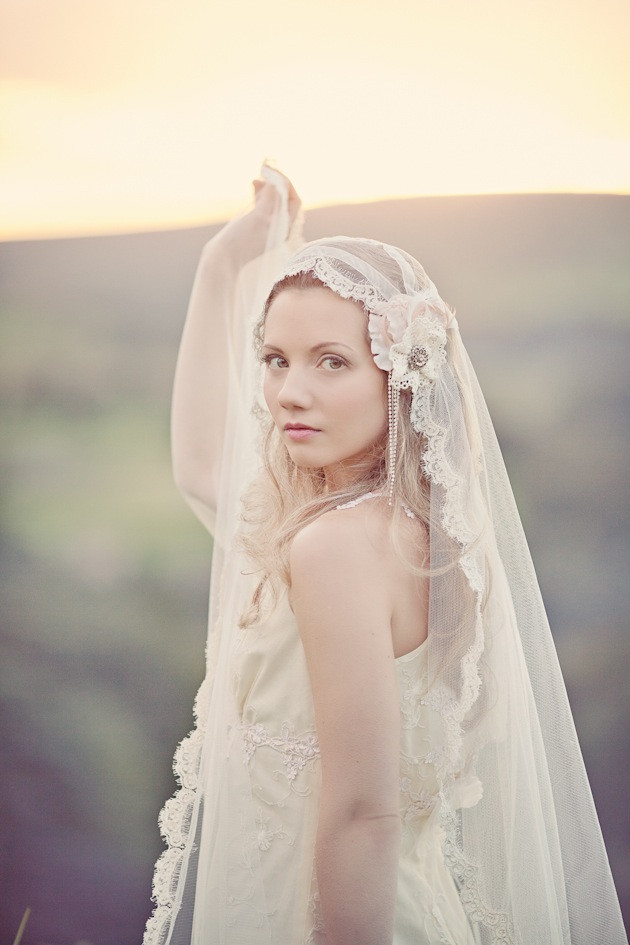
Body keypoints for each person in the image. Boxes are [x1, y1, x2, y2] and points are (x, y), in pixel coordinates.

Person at [143, 167, 627, 945]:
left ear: (400, 376)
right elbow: (202, 462)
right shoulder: (413, 531)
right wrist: (223, 264)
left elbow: (365, 813)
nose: (289, 392)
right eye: (275, 359)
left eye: (331, 361)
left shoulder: (335, 544)